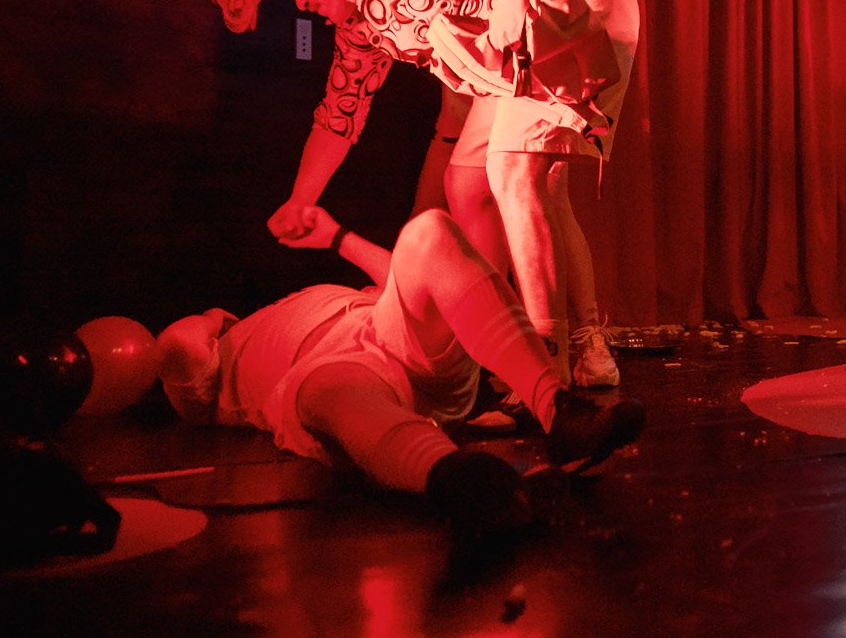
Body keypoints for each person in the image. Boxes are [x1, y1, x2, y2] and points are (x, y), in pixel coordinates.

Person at [205, 0, 637, 389]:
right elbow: (339, 116)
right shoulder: (361, 27)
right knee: (470, 183)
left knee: (512, 172)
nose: (299, 4)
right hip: (530, 41)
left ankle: (544, 372)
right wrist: (302, 201)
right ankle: (564, 350)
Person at [154, 206, 644, 531]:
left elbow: (417, 272)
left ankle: (559, 412)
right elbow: (177, 348)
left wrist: (336, 237)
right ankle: (463, 482)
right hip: (333, 372)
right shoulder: (219, 360)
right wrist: (213, 320)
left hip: (391, 337)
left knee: (429, 232)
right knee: (334, 386)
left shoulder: (315, 299)